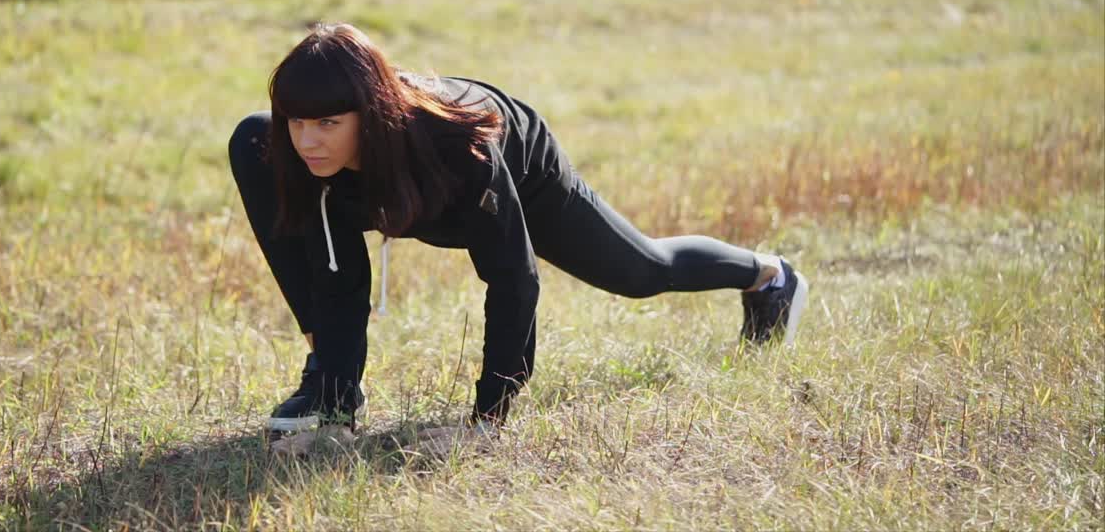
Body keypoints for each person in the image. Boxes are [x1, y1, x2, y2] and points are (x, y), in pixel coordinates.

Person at [228, 23, 808, 453]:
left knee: (642, 272)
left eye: (327, 123)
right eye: (298, 122)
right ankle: (331, 394)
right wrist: (332, 408)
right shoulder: (295, 150)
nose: (308, 142)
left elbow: (513, 278)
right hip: (392, 182)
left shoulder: (459, 147)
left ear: (371, 112)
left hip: (521, 175)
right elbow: (337, 276)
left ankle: (770, 276)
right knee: (252, 143)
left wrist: (487, 421)